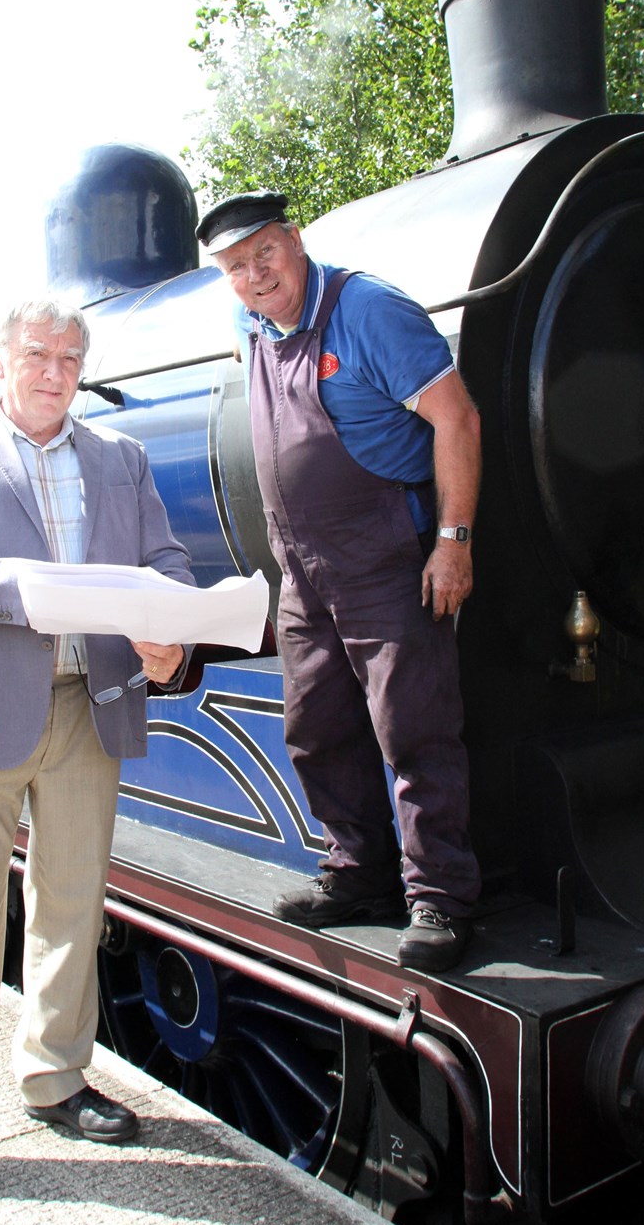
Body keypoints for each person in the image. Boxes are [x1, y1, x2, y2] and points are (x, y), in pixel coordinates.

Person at [0, 297, 193, 1217]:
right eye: (38, 353)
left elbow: (166, 561)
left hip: (89, 706)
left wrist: (166, 628)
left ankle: (55, 1081)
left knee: (70, 909)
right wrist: (21, 589)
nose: (55, 369)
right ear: (1, 364)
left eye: (70, 356)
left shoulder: (120, 459)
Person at [198, 192, 482, 974]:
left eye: (266, 253)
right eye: (236, 267)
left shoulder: (370, 311)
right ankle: (360, 877)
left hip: (385, 554)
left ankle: (442, 899)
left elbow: (457, 420)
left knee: (413, 729)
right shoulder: (246, 323)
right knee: (317, 728)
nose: (256, 276)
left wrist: (452, 542)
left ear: (295, 240)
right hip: (301, 566)